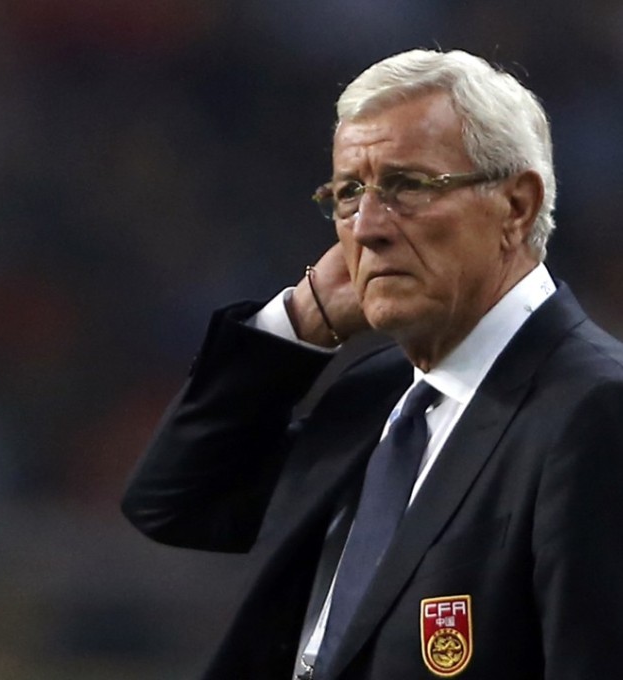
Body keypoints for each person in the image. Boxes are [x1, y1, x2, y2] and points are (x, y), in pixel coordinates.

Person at [121, 48, 623, 680]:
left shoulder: (595, 411)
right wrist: (304, 320)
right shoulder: (374, 396)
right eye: (349, 193)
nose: (366, 228)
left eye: (408, 186)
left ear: (517, 206)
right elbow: (175, 503)